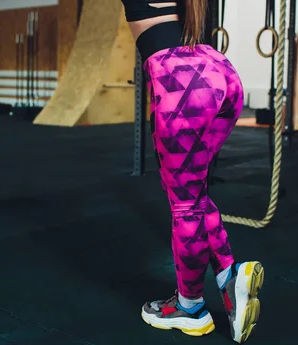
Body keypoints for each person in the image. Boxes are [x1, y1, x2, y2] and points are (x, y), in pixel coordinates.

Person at [121, 0, 264, 343]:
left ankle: (190, 307)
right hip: (215, 68)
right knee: (195, 194)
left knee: (184, 204)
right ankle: (230, 278)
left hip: (179, 79)